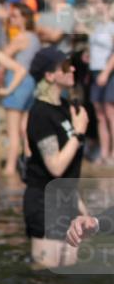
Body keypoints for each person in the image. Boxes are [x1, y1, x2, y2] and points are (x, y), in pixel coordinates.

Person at [23, 47, 90, 269]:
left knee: (69, 278)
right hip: (44, 203)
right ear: (49, 76)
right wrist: (78, 133)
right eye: (64, 66)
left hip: (66, 202)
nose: (72, 68)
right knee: (45, 277)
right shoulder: (40, 113)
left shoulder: (66, 108)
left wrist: (82, 209)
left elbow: (69, 170)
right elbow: (56, 167)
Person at [1, 3, 40, 176]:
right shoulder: (35, 37)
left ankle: (10, 167)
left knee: (13, 129)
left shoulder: (21, 37)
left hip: (17, 82)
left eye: (15, 16)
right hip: (31, 83)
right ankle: (29, 163)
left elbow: (2, 55)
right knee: (25, 128)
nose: (11, 19)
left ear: (25, 18)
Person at [88, 11, 114, 165]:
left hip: (109, 72)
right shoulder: (96, 26)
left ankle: (113, 153)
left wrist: (106, 72)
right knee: (100, 115)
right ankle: (104, 152)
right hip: (95, 70)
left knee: (111, 113)